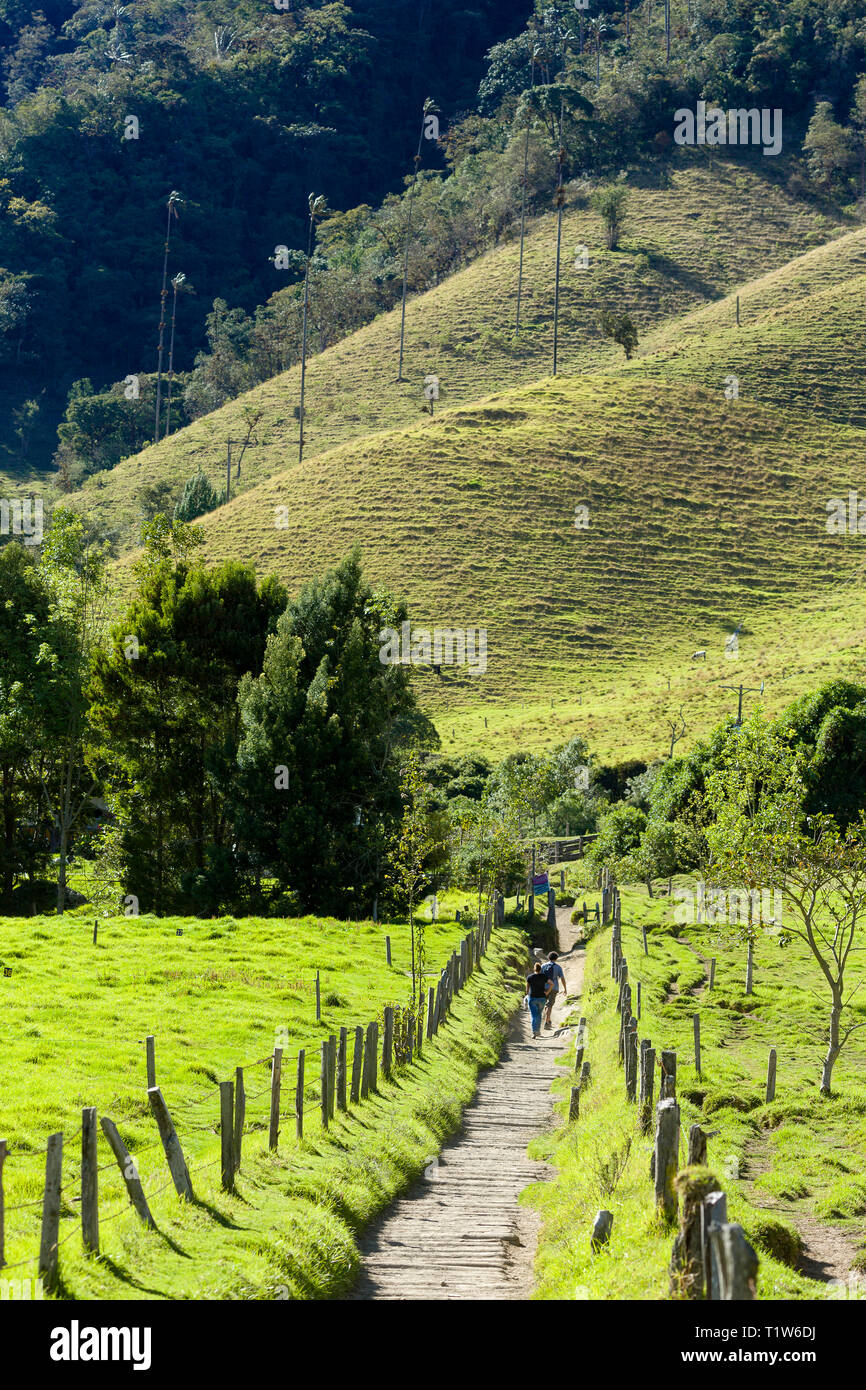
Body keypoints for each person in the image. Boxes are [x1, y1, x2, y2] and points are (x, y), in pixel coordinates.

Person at [541, 951, 566, 1029]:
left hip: (544, 987)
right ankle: (547, 1021)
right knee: (550, 1005)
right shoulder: (558, 967)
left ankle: (548, 1020)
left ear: (548, 957)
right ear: (556, 958)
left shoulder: (543, 966)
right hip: (554, 988)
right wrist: (565, 988)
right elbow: (562, 978)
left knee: (547, 1005)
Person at [526, 962, 550, 1039]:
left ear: (534, 969)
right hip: (542, 998)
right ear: (540, 969)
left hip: (532, 998)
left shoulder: (529, 977)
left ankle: (534, 1032)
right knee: (539, 1015)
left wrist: (527, 995)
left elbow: (527, 989)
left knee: (534, 1015)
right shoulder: (544, 976)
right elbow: (552, 984)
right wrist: (547, 992)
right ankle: (538, 1031)